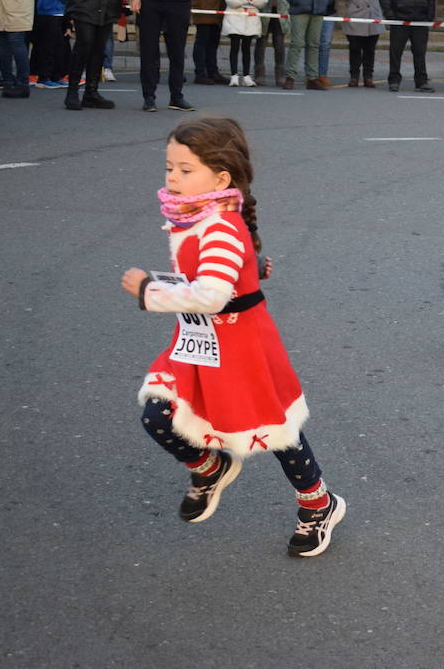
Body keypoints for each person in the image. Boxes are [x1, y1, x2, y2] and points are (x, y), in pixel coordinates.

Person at [122, 117, 346, 557]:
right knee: (158, 415)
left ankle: (319, 504)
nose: (173, 177)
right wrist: (253, 268)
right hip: (198, 340)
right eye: (169, 167)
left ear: (221, 177)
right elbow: (221, 268)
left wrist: (151, 292)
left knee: (276, 430)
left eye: (186, 170)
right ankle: (210, 467)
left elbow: (212, 293)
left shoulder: (219, 225)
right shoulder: (202, 217)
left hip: (240, 344)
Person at [379, 0, 436, 92]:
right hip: (400, 20)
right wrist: (391, 15)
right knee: (396, 52)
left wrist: (429, 16)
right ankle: (394, 81)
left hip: (420, 21)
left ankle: (421, 82)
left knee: (420, 52)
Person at [338, 0, 382, 88]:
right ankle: (354, 76)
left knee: (370, 49)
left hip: (372, 15)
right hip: (354, 15)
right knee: (355, 48)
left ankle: (368, 77)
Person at [222, 0, 267, 86]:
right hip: (235, 18)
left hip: (250, 20)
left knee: (247, 48)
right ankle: (234, 76)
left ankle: (246, 76)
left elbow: (263, 0)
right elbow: (230, 0)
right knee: (235, 47)